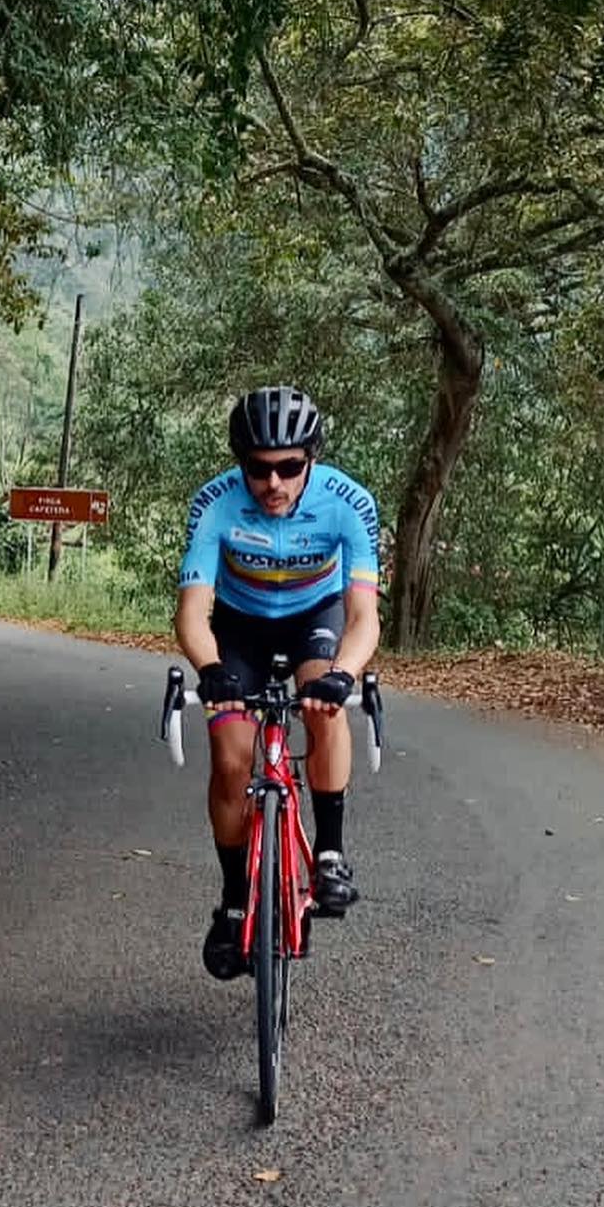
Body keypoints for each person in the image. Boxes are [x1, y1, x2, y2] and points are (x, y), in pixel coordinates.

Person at [173, 384, 380, 980]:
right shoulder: (214, 504)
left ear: (310, 459)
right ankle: (236, 901)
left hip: (317, 615)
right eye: (259, 470)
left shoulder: (347, 503)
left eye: (290, 468)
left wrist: (344, 674)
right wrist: (210, 671)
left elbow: (364, 616)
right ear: (241, 464)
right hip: (240, 625)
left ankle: (332, 852)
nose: (274, 484)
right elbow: (192, 609)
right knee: (232, 757)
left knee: (322, 705)